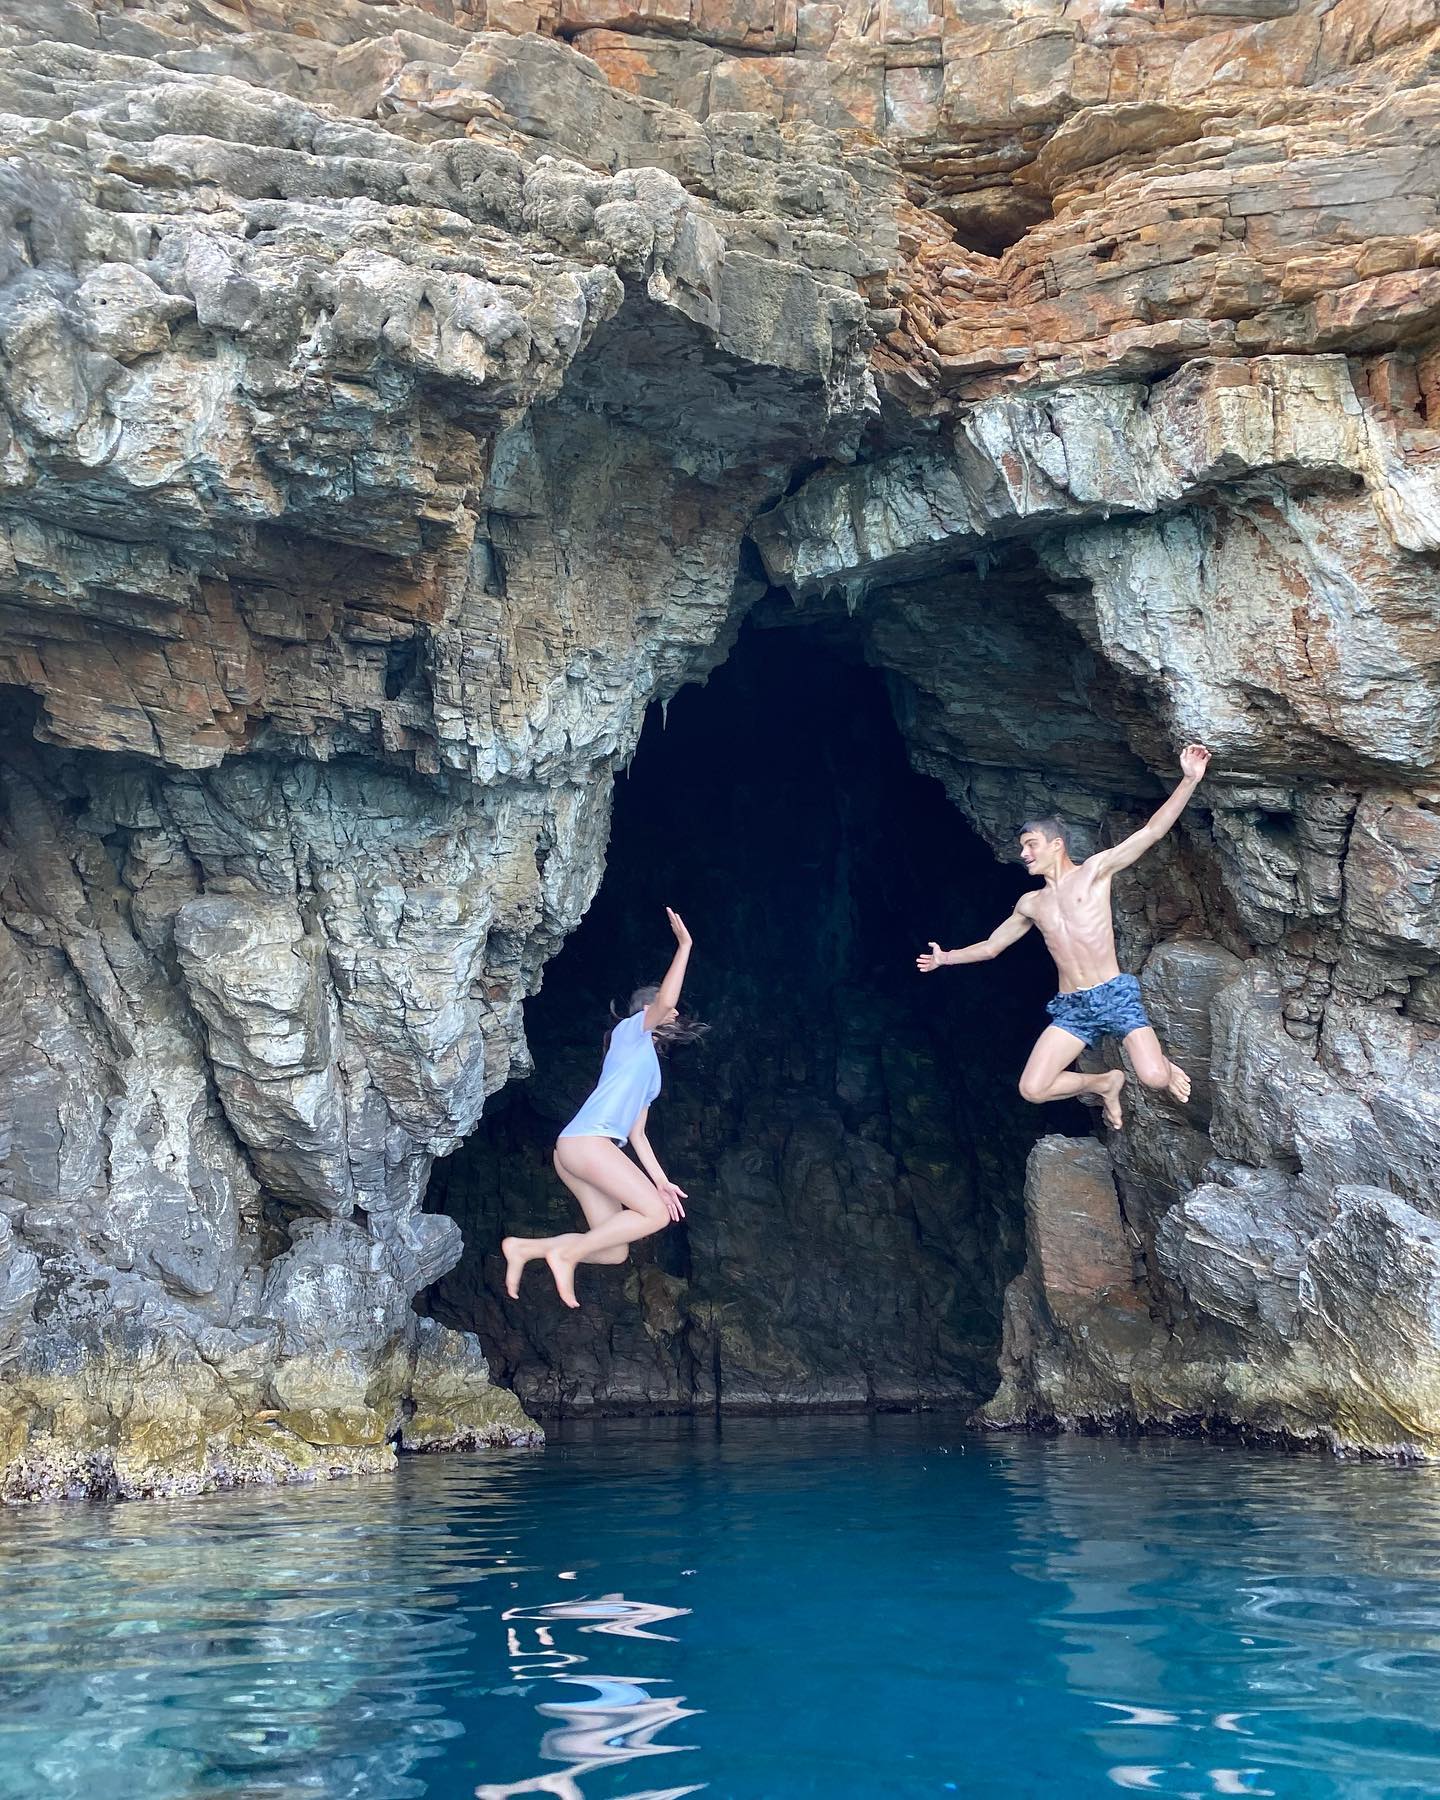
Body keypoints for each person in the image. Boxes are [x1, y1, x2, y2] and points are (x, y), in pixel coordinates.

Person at [916, 745, 1212, 1130]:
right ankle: (1105, 1082)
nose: (1023, 853)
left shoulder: (1094, 872)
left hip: (1113, 994)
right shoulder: (1031, 904)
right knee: (1033, 1088)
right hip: (1072, 1007)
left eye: (1031, 845)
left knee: (1155, 1079)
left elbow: (1152, 832)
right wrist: (946, 958)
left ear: (1056, 845)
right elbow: (992, 947)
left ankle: (1159, 1066)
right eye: (1021, 847)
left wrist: (1189, 780)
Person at [503, 907, 700, 1309]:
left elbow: (637, 1135)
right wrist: (684, 946)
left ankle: (525, 1249)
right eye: (665, 1008)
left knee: (614, 1252)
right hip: (589, 1145)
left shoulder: (650, 1072)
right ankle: (566, 1255)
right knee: (654, 1216)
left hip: (579, 1150)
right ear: (648, 1012)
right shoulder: (629, 1033)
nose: (674, 1013)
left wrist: (661, 1181)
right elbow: (665, 1000)